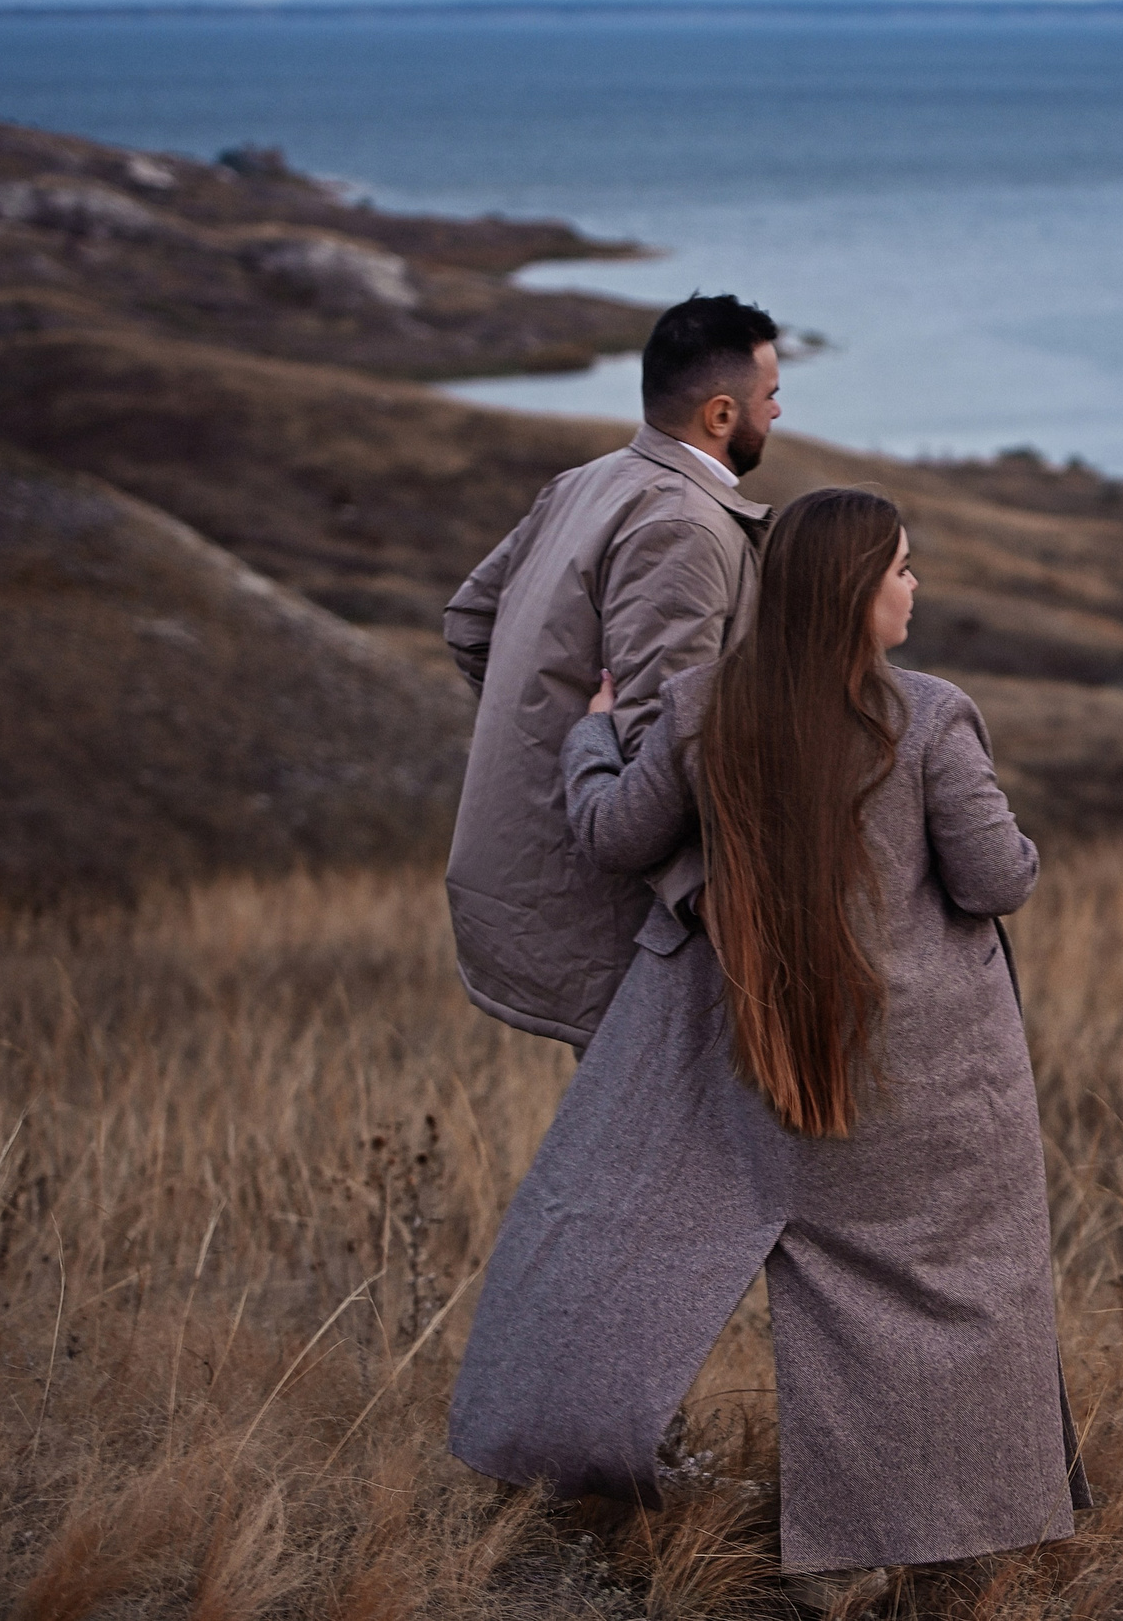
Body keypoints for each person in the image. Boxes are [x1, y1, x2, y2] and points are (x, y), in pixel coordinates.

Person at [448, 486, 1090, 1594]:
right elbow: (995, 878)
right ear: (852, 590)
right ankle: (906, 1555)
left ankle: (579, 1462)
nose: (912, 583)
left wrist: (594, 734)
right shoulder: (930, 715)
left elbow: (610, 833)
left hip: (750, 1072)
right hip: (918, 1086)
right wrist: (1022, 844)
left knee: (619, 1248)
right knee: (932, 1303)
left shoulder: (705, 706)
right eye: (898, 567)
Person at [442, 294, 783, 1049]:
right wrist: (716, 914)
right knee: (662, 1155)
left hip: (537, 887)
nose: (779, 414)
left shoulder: (586, 481)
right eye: (771, 396)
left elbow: (472, 629)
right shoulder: (685, 527)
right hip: (627, 921)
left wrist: (547, 737)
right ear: (721, 416)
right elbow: (663, 741)